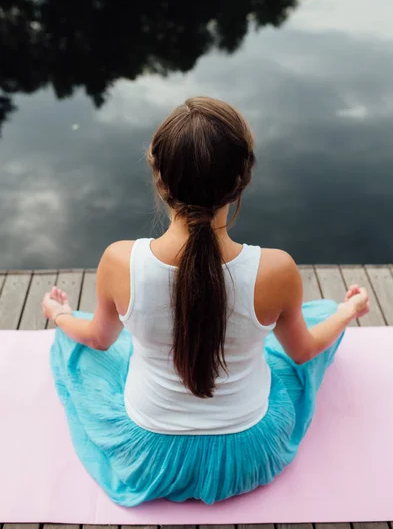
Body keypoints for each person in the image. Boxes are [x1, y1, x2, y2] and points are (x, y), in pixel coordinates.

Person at [42, 96, 370, 507]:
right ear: (242, 180)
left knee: (75, 341)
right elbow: (302, 352)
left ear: (160, 180)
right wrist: (347, 311)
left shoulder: (118, 260)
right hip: (248, 456)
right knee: (319, 314)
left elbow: (97, 339)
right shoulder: (276, 269)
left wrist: (60, 314)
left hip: (149, 458)